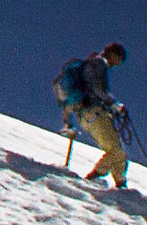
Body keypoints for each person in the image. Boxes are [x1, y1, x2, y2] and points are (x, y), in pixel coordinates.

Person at [53, 42, 130, 188]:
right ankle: (93, 179)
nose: (119, 62)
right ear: (113, 54)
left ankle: (121, 185)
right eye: (120, 58)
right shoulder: (99, 63)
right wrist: (113, 104)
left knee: (117, 152)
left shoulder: (91, 64)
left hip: (86, 116)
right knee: (117, 151)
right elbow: (97, 88)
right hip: (95, 112)